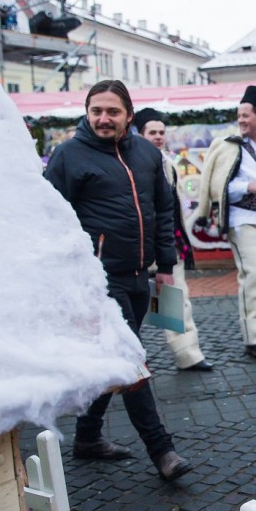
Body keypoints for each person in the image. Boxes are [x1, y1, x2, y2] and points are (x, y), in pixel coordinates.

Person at [44, 81, 192, 481]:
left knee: (114, 359)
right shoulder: (68, 156)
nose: (103, 119)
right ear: (87, 112)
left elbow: (163, 210)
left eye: (112, 111)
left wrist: (165, 264)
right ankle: (163, 451)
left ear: (128, 113)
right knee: (130, 360)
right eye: (96, 111)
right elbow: (49, 219)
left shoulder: (146, 152)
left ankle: (88, 437)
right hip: (98, 279)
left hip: (139, 276)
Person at [196, 85, 256, 358]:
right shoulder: (227, 147)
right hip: (241, 218)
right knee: (254, 273)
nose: (241, 121)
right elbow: (217, 185)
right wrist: (248, 186)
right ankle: (254, 337)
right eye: (239, 116)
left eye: (246, 115)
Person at [135, 108, 213, 372]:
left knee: (174, 299)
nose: (158, 137)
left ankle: (186, 355)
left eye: (160, 132)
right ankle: (129, 362)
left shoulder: (167, 162)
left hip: (169, 243)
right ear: (139, 134)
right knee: (132, 307)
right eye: (152, 132)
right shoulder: (132, 164)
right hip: (138, 247)